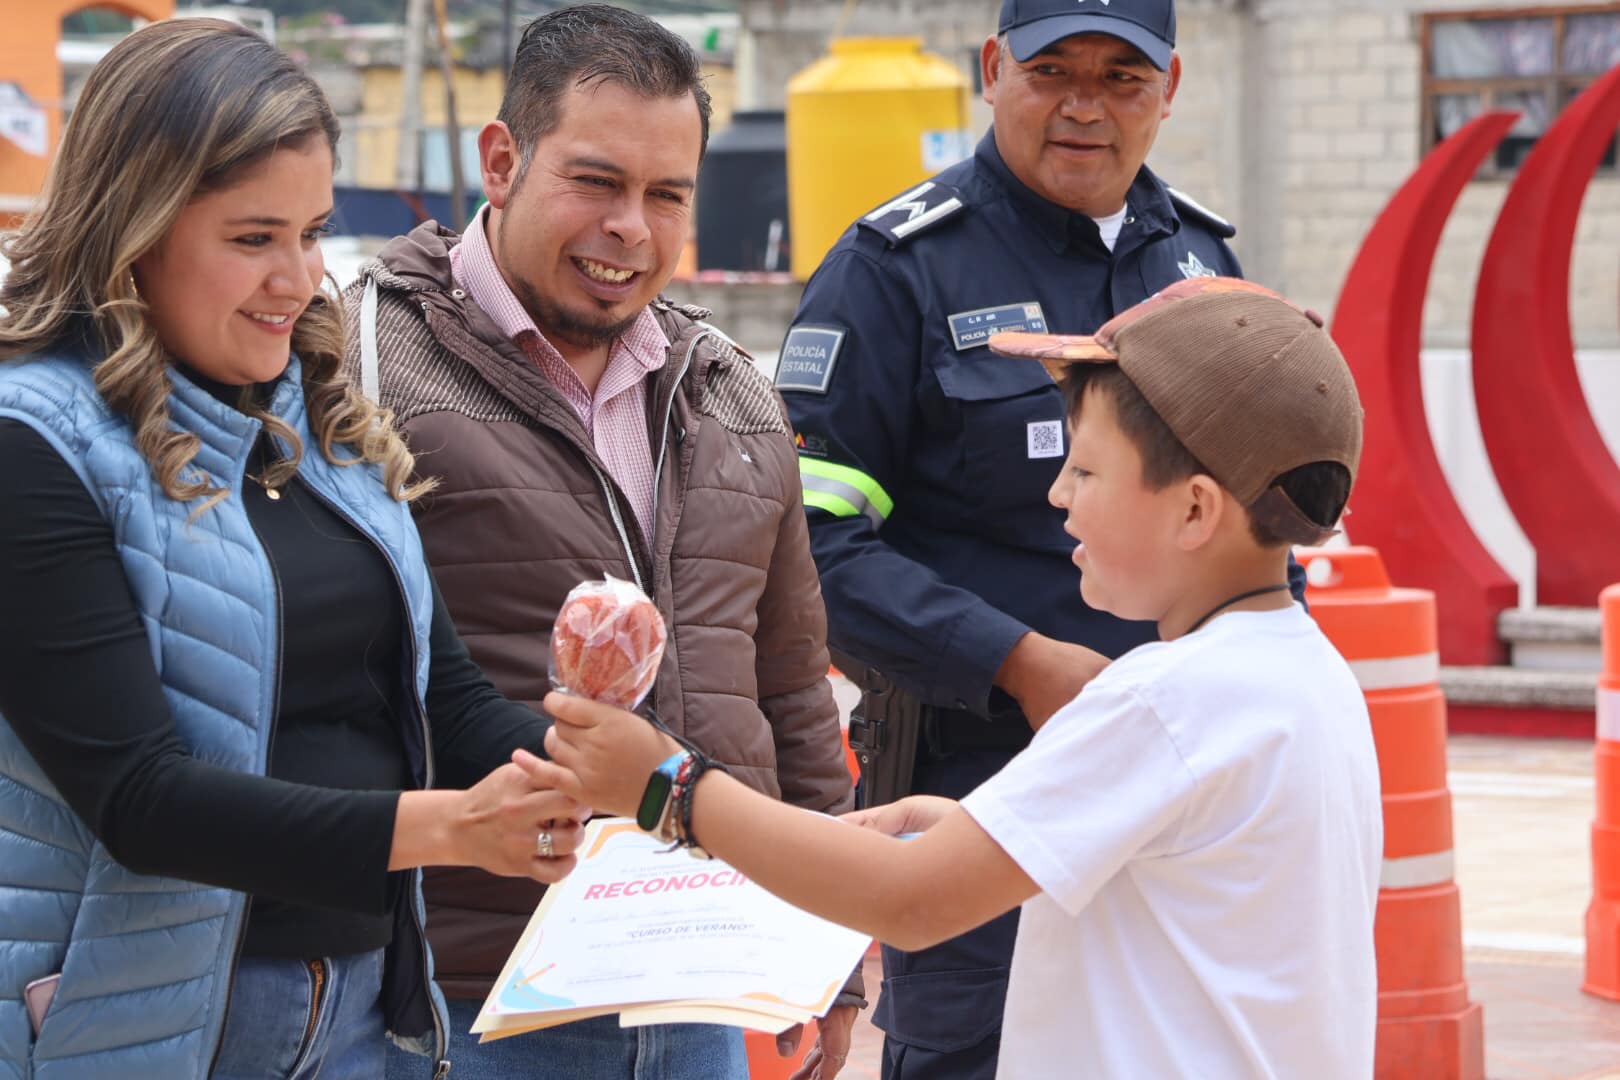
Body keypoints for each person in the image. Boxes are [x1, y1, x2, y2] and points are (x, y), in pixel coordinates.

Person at [536, 276, 1383, 1080]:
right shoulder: (1303, 675)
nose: (1058, 494)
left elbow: (908, 903)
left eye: (1085, 471)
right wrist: (954, 824)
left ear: (1195, 509)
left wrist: (665, 785)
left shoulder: (1160, 700)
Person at [0, 20, 589, 1080]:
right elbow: (143, 799)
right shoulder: (32, 444)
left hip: (371, 1008)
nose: (297, 279)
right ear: (133, 229)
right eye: (253, 237)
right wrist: (455, 830)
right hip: (147, 1029)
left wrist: (615, 782)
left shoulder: (317, 417)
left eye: (313, 232)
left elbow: (441, 700)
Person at [776, 0, 1305, 1072]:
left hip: (1195, 817)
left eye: (1122, 77)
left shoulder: (1204, 271)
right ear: (991, 69)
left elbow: (1265, 536)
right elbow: (805, 554)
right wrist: (1020, 665)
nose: (1084, 106)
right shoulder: (896, 270)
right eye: (1052, 69)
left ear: (1171, 89)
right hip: (984, 792)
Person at [347, 7, 860, 1078]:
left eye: (667, 193)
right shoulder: (361, 371)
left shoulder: (731, 391)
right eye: (596, 181)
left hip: (702, 983)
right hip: (465, 995)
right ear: (501, 160)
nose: (632, 225)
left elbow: (792, 688)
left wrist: (833, 955)